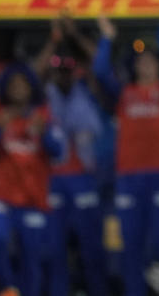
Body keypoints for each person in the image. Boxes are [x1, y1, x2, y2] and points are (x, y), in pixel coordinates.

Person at [92, 16, 159, 296]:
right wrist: (107, 37)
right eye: (140, 61)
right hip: (129, 177)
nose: (145, 64)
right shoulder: (124, 93)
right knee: (129, 247)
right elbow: (99, 71)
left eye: (151, 60)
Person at [0, 63, 65, 296]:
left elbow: (59, 151)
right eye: (12, 85)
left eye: (22, 85)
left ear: (30, 88)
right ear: (6, 89)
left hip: (32, 199)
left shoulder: (43, 118)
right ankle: (8, 288)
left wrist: (43, 133)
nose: (17, 89)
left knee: (32, 257)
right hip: (2, 196)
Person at [39, 47, 108, 296]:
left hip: (84, 178)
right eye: (58, 71)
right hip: (54, 178)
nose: (63, 76)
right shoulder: (44, 98)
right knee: (54, 249)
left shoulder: (87, 96)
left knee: (92, 249)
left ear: (75, 72)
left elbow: (102, 82)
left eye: (68, 71)